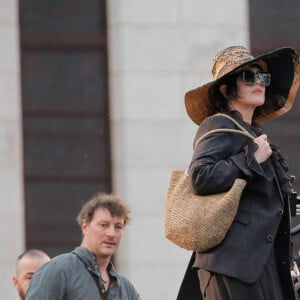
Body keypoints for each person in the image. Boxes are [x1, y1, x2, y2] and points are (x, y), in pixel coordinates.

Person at [177, 46, 300, 300]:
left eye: (263, 78)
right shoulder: (218, 124)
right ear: (226, 89)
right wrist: (250, 159)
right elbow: (200, 177)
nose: (259, 83)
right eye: (248, 77)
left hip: (261, 266)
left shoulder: (254, 134)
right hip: (232, 267)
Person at [26, 193, 142, 300]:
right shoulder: (57, 270)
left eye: (118, 227)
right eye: (103, 225)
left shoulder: (127, 290)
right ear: (85, 226)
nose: (111, 234)